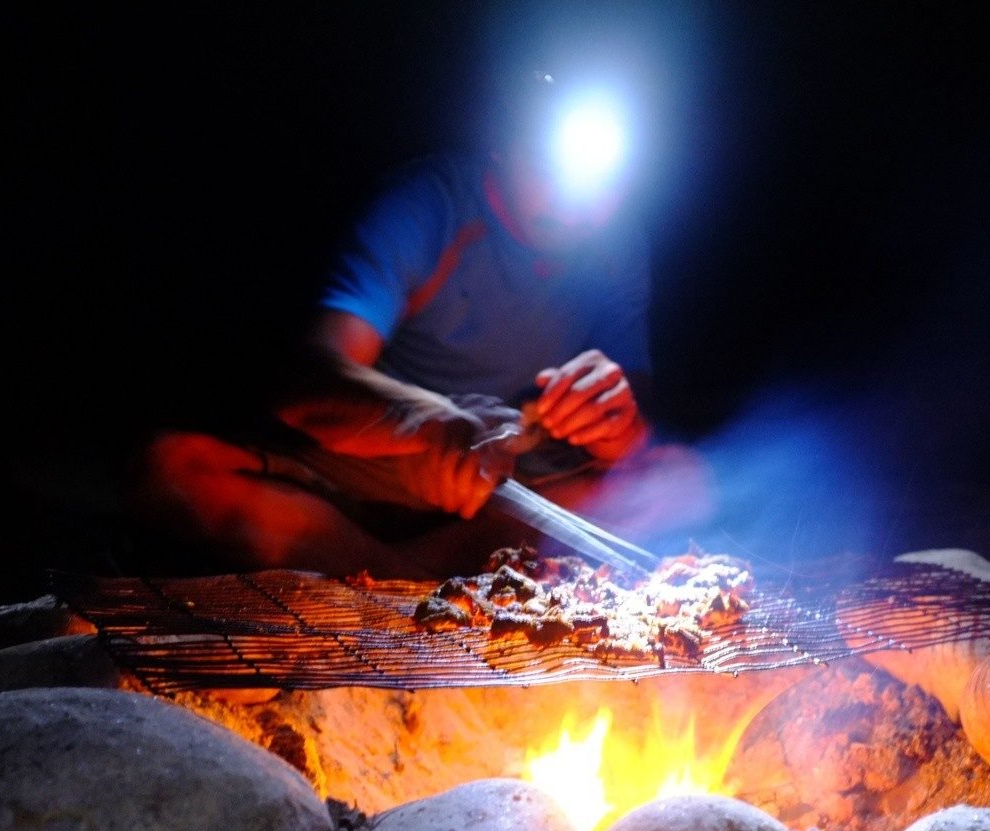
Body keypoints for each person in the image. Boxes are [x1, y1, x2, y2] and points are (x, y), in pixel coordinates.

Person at [125, 68, 715, 580]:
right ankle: (424, 586)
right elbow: (307, 377)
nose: (579, 201)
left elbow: (637, 421)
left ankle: (390, 580)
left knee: (681, 480)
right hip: (381, 468)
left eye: (602, 181)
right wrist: (426, 423)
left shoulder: (617, 246)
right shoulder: (429, 205)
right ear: (506, 145)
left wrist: (616, 419)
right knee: (175, 468)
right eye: (553, 168)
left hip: (509, 486)